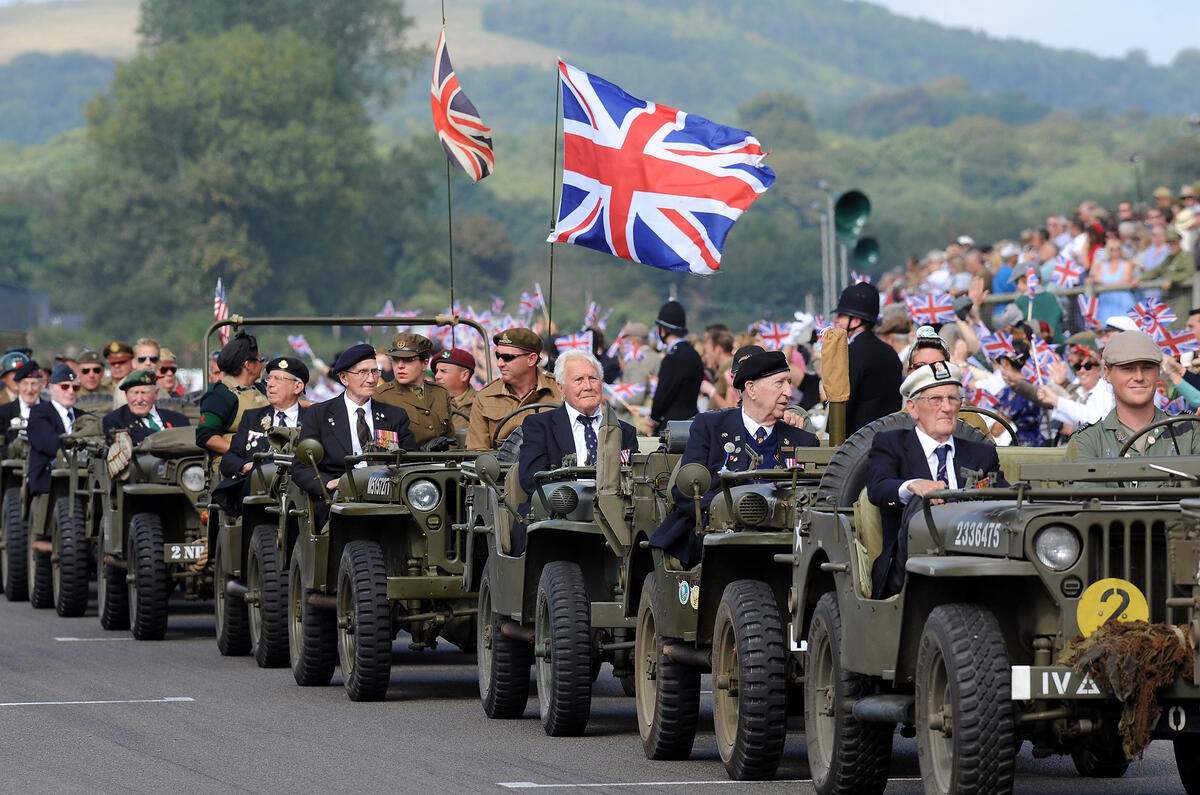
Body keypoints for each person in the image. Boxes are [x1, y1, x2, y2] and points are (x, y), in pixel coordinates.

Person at [649, 350, 819, 568]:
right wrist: (729, 516)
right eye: (779, 383)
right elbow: (686, 492)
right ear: (751, 389)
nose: (788, 392)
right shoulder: (710, 427)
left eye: (789, 382)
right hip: (719, 543)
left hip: (786, 546)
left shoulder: (802, 440)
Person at [867, 362, 1004, 598]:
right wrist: (912, 486)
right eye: (936, 399)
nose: (947, 408)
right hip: (909, 568)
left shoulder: (982, 453)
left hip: (977, 564)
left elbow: (1003, 495)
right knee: (920, 504)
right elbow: (878, 488)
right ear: (912, 408)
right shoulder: (891, 444)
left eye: (953, 399)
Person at [512, 349, 638, 555]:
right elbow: (530, 479)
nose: (588, 386)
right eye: (579, 380)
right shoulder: (539, 425)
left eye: (593, 378)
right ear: (561, 388)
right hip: (557, 518)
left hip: (615, 520)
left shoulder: (624, 431)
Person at [292, 344, 418, 528]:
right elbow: (301, 468)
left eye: (375, 372)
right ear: (344, 378)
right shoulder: (320, 414)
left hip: (389, 499)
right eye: (363, 373)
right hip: (339, 501)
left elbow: (412, 460)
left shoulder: (394, 416)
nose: (371, 379)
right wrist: (328, 484)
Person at [1070, 330, 1200, 462]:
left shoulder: (1189, 432)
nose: (1139, 377)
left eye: (1147, 367)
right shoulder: (1089, 440)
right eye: (1127, 368)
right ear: (1108, 374)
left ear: (1158, 372)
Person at [213, 357, 310, 515]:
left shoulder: (312, 420)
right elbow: (229, 460)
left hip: (301, 499)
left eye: (278, 379)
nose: (270, 384)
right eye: (269, 378)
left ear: (297, 387)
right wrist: (249, 467)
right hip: (258, 500)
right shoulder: (252, 418)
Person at [466, 328, 561, 451]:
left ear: (531, 359)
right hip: (500, 468)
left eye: (507, 357)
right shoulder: (485, 397)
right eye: (498, 356)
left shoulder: (560, 390)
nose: (500, 363)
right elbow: (477, 451)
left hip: (550, 467)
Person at [833, 282, 902, 435]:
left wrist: (830, 433)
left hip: (857, 440)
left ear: (856, 321)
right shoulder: (890, 351)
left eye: (842, 315)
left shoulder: (851, 352)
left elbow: (844, 400)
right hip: (890, 436)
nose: (837, 319)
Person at [196, 331, 269, 461]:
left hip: (264, 460)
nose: (262, 364)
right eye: (260, 360)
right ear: (248, 365)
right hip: (233, 467)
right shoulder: (220, 394)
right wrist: (242, 453)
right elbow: (206, 436)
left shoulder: (260, 389)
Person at [374, 332, 453, 448]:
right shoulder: (381, 396)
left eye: (408, 360)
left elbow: (451, 438)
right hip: (404, 464)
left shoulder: (440, 393)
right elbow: (384, 448)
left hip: (440, 464)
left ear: (424, 364)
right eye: (395, 359)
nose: (400, 365)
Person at [27, 365, 87, 496]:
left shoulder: (84, 416)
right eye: (65, 386)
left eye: (75, 387)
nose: (71, 391)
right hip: (49, 481)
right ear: (51, 388)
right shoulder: (39, 413)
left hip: (83, 479)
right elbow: (48, 443)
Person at [647, 300, 704, 434]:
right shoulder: (694, 354)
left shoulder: (672, 358)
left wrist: (653, 418)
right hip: (693, 421)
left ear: (663, 330)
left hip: (672, 427)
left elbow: (663, 394)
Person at [102, 370, 190, 444]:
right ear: (126, 395)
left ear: (156, 394)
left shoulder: (179, 420)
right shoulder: (115, 421)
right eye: (135, 393)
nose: (139, 400)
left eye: (144, 393)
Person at [431, 347, 477, 435]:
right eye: (437, 371)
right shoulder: (428, 403)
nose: (437, 376)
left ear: (464, 375)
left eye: (443, 371)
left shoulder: (482, 402)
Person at [101, 341, 136, 407]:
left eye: (121, 362)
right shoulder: (101, 386)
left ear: (132, 362)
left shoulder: (139, 385)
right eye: (113, 363)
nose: (117, 366)